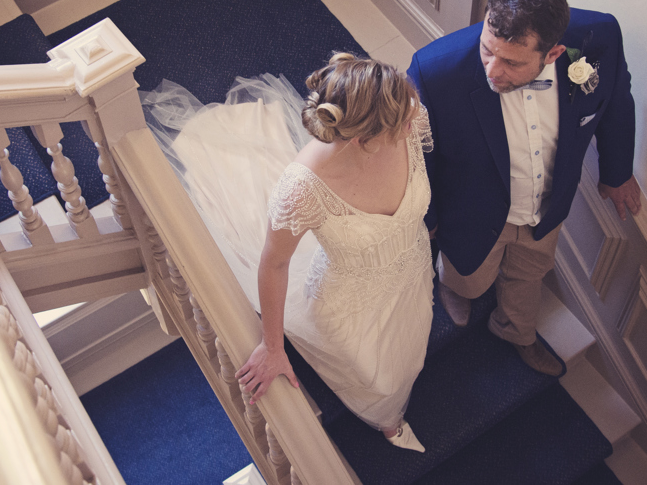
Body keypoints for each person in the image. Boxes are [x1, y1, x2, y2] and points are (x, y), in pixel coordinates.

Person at [141, 53, 434, 452]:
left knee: (413, 339)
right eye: (400, 122)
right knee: (376, 375)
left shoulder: (410, 120)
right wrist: (273, 347)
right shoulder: (302, 189)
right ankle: (387, 417)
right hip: (349, 300)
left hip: (412, 267)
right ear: (365, 139)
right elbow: (275, 262)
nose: (414, 119)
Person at [407, 0, 640, 376]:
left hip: (547, 207)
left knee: (530, 272)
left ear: (553, 54)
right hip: (473, 210)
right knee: (469, 275)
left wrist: (617, 172)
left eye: (512, 62)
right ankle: (455, 287)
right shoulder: (434, 71)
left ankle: (516, 331)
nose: (492, 71)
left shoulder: (600, 38)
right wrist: (426, 221)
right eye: (486, 51)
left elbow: (616, 101)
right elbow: (419, 155)